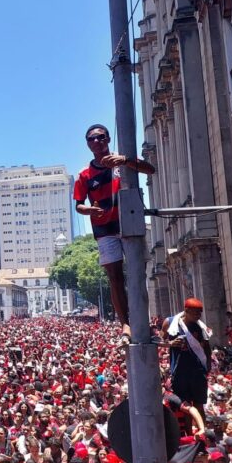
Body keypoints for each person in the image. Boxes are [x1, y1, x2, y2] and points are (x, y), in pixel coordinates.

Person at [73, 123, 155, 339]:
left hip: (129, 222)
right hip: (104, 229)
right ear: (87, 144)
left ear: (108, 139)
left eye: (101, 137)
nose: (96, 141)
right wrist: (89, 210)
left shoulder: (122, 160)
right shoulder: (84, 174)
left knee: (138, 273)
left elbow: (150, 169)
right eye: (91, 139)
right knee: (114, 277)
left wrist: (126, 160)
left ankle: (143, 320)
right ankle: (125, 324)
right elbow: (78, 205)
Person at [161, 298, 212, 419]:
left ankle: (202, 429)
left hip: (198, 372)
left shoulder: (200, 327)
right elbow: (159, 341)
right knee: (185, 406)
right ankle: (189, 430)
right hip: (180, 373)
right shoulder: (170, 323)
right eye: (195, 313)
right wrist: (171, 343)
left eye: (200, 313)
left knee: (199, 405)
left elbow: (207, 347)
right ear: (186, 310)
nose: (198, 316)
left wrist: (208, 366)